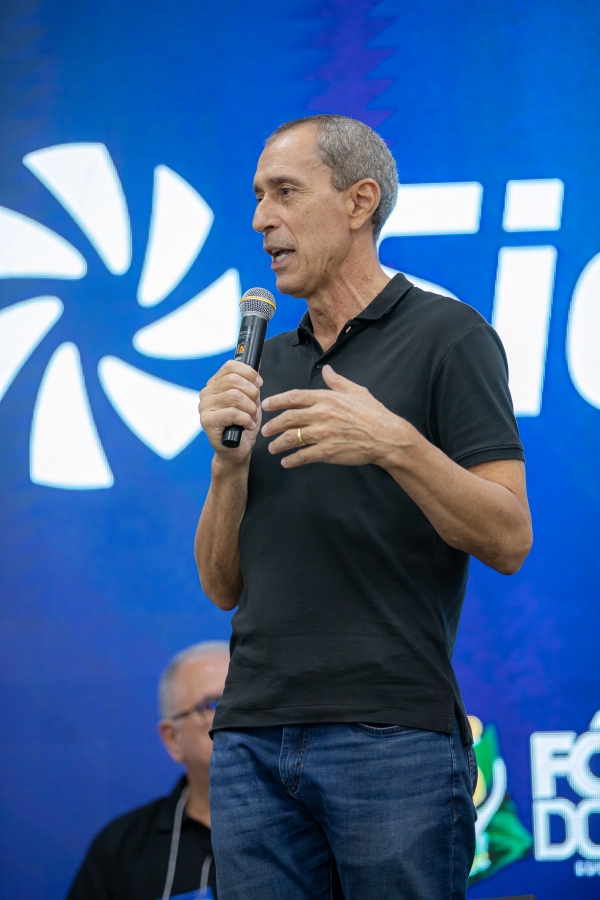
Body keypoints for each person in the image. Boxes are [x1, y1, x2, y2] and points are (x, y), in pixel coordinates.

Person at [195, 114, 533, 900]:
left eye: (285, 192)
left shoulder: (449, 336)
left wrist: (396, 444)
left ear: (359, 202)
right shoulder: (264, 362)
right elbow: (221, 585)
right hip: (251, 736)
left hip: (390, 734)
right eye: (257, 197)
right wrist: (227, 468)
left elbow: (510, 537)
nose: (261, 219)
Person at [66, 642, 229, 900]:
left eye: (248, 702)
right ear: (173, 739)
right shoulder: (122, 847)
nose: (236, 718)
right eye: (211, 705)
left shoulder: (299, 829)